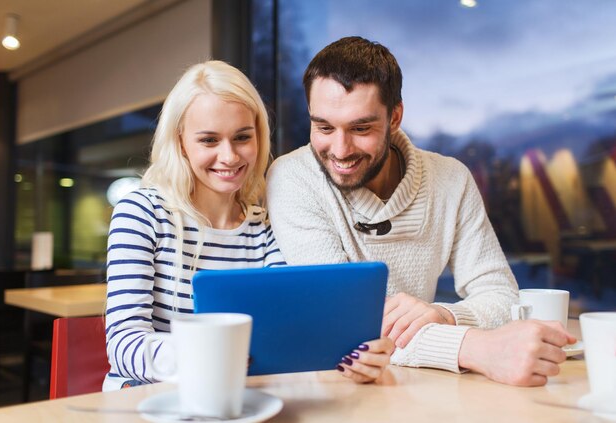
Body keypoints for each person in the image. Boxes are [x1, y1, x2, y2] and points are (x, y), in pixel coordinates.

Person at [266, 36, 575, 386]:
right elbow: (344, 324)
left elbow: (503, 297)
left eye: (361, 128)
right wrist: (474, 347)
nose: (339, 149)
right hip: (334, 385)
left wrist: (443, 315)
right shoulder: (293, 178)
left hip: (418, 383)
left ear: (395, 117)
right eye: (323, 127)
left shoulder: (451, 179)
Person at [104, 60, 390, 390]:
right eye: (209, 140)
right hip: (150, 397)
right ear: (181, 141)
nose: (229, 156)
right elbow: (124, 345)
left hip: (244, 397)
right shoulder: (142, 211)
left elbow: (289, 335)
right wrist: (207, 357)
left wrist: (350, 356)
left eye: (242, 137)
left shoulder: (265, 226)